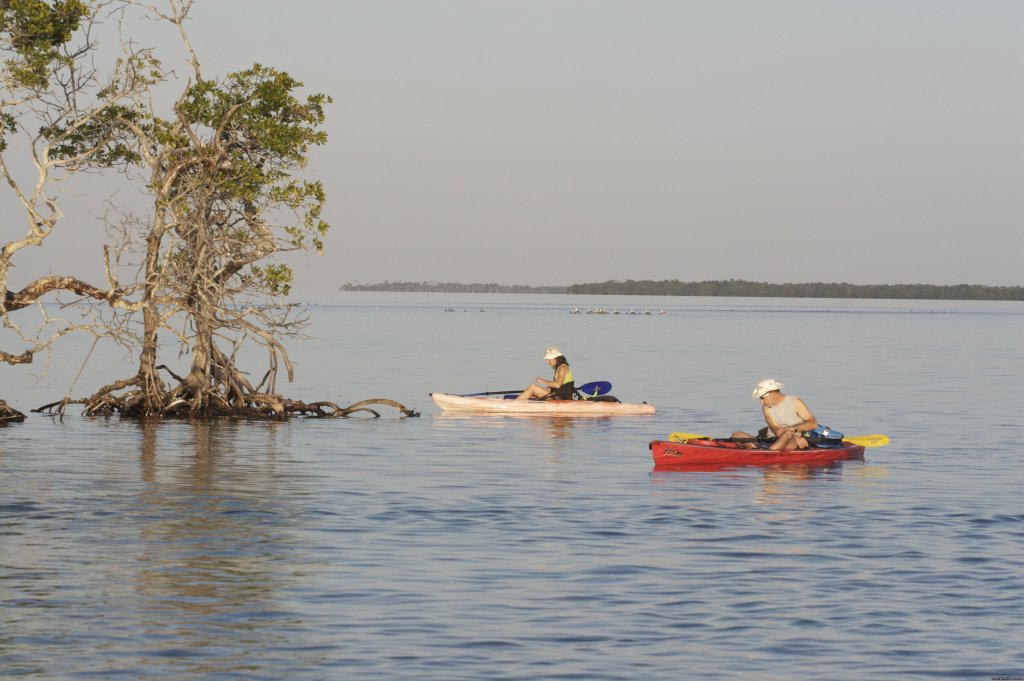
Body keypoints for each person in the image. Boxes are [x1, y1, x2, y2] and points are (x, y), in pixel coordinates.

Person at [732, 378, 818, 450]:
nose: (761, 402)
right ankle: (756, 450)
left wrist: (791, 430)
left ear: (772, 394)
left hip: (793, 443)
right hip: (770, 440)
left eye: (762, 398)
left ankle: (767, 455)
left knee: (787, 433)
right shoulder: (766, 407)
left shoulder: (795, 402)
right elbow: (776, 429)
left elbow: (813, 423)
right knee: (737, 435)